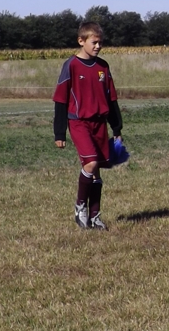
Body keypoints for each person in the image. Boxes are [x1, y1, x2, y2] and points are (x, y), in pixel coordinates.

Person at [53, 22, 123, 229]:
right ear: (81, 41)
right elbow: (61, 100)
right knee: (90, 163)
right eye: (94, 42)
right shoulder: (71, 65)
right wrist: (59, 132)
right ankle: (80, 205)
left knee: (96, 170)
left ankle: (94, 216)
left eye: (100, 42)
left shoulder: (103, 67)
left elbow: (111, 99)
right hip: (79, 122)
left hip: (99, 123)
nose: (98, 46)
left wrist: (117, 128)